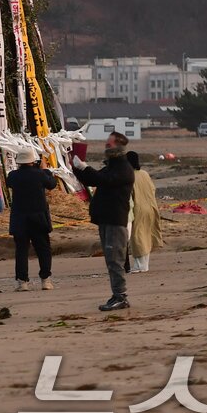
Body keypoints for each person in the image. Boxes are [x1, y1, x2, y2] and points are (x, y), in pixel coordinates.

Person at [72, 131, 135, 311]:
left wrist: (85, 167)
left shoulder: (123, 168)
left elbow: (103, 179)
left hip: (116, 220)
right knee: (111, 259)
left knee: (115, 260)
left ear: (118, 147)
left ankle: (120, 296)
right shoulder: (112, 166)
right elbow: (94, 179)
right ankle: (117, 294)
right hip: (106, 219)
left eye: (109, 145)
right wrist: (78, 169)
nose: (106, 148)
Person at [6, 148, 56, 291]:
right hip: (39, 217)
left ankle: (22, 282)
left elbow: (9, 182)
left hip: (19, 218)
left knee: (21, 250)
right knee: (43, 249)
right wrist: (45, 170)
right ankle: (45, 280)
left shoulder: (13, 175)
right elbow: (52, 184)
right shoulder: (40, 174)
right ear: (32, 161)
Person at [127, 150, 163, 272]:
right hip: (151, 207)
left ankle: (139, 266)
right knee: (146, 235)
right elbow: (152, 189)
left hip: (138, 209)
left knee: (137, 237)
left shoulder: (130, 176)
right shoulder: (144, 173)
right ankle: (144, 264)